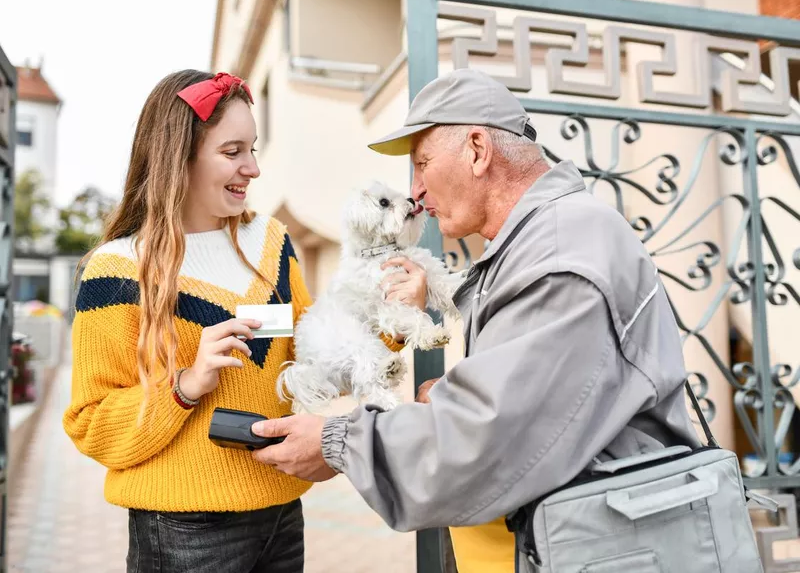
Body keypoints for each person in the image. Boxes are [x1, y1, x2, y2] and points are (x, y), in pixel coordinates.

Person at [247, 68, 702, 573]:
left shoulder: (559, 254)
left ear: (478, 150)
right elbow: (543, 398)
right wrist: (456, 393)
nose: (415, 191)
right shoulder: (536, 240)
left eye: (422, 164)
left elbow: (484, 442)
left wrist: (336, 442)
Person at [61, 69, 423, 573]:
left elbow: (314, 355)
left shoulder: (271, 243)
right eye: (233, 152)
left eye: (253, 149)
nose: (252, 168)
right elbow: (90, 422)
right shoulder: (118, 271)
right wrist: (185, 385)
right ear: (177, 159)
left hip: (281, 514)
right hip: (181, 532)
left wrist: (396, 315)